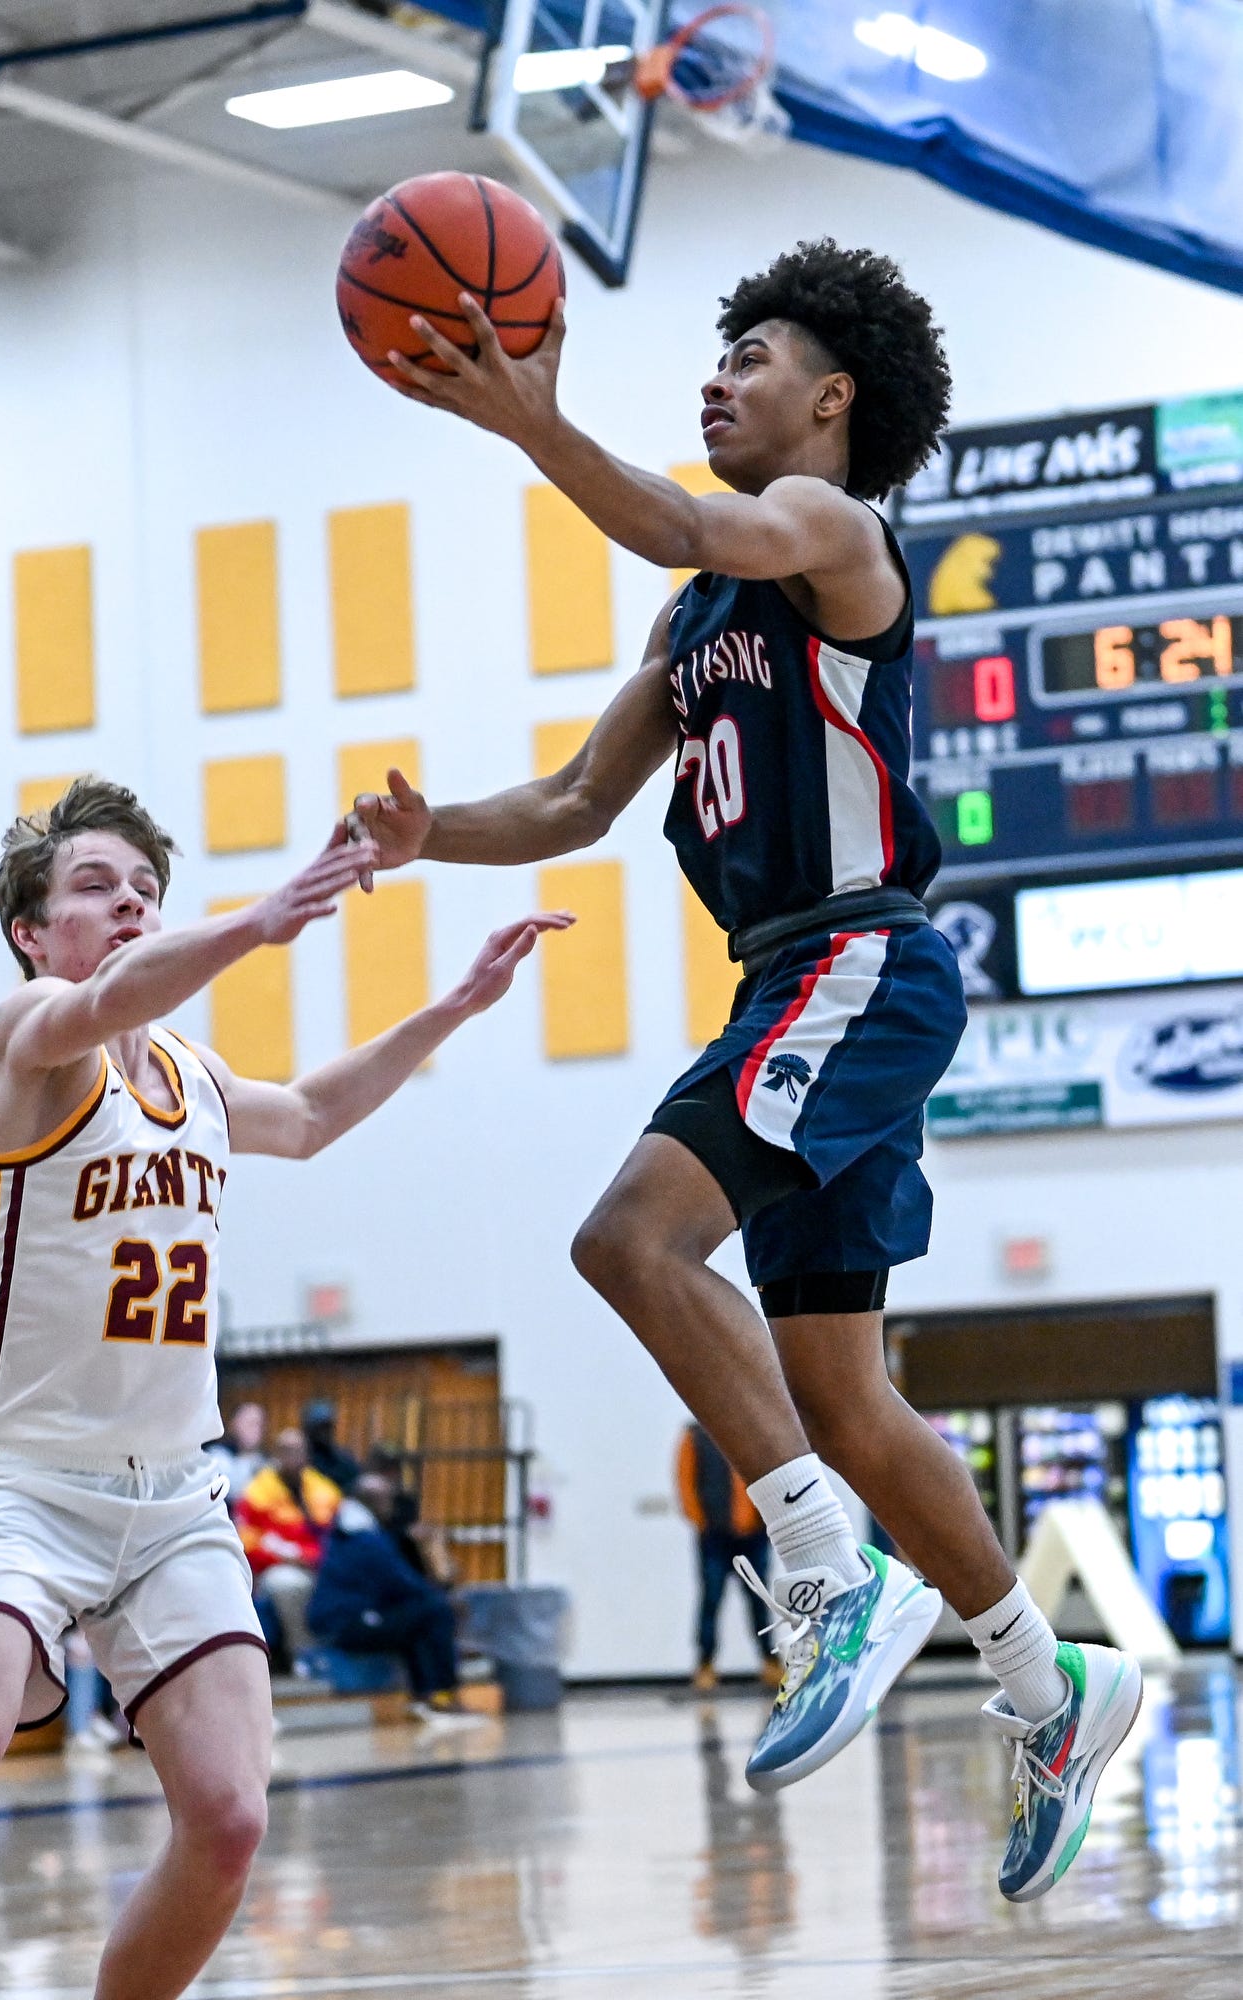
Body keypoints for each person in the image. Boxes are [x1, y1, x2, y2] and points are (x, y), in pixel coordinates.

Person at [355, 239, 1141, 1902]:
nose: (716, 374)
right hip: (790, 976)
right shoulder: (697, 612)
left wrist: (527, 425)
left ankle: (817, 1562)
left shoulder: (827, 536)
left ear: (831, 397)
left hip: (860, 955)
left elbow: (685, 514)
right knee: (845, 1394)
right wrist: (429, 839)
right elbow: (571, 805)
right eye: (713, 352)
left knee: (626, 1242)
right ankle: (1044, 1685)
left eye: (752, 352)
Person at [0, 776, 568, 1999]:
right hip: (26, 1483)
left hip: (174, 1501)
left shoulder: (193, 1079)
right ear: (31, 929)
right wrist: (268, 917)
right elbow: (107, 999)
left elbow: (313, 1113)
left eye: (144, 889)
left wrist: (455, 1007)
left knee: (227, 1818)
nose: (128, 905)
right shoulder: (25, 1035)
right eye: (96, 887)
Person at [307, 1494, 464, 1717]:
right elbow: (402, 1582)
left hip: (349, 1619)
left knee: (418, 1619)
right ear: (373, 1503)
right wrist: (442, 1594)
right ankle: (444, 1693)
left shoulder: (350, 1532)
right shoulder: (365, 1539)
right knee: (436, 1610)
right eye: (386, 1501)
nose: (391, 1507)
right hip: (345, 1623)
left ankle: (425, 1696)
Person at [675, 1422, 778, 1693]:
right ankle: (705, 1663)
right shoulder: (695, 1436)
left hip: (754, 1535)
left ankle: (770, 1660)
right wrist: (702, 1521)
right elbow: (684, 1481)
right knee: (711, 1599)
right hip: (714, 1537)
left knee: (760, 1600)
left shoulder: (755, 1432)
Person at [234, 1428, 342, 1670]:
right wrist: (288, 1556)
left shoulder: (325, 1490)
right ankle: (304, 1653)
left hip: (321, 1564)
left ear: (306, 1454)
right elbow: (247, 1542)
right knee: (287, 1584)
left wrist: (313, 1557)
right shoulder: (257, 1493)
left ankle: (339, 1651)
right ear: (276, 1455)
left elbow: (337, 1534)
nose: (292, 1457)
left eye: (297, 1451)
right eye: (285, 1451)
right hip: (276, 1568)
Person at [207, 1400, 267, 1506]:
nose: (256, 1429)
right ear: (234, 1424)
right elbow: (234, 1493)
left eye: (259, 1424)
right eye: (250, 1423)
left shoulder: (266, 1461)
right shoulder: (216, 1455)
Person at [301, 1398, 362, 1494]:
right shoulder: (299, 1460)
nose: (324, 1432)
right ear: (307, 1428)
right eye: (319, 1427)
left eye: (327, 1427)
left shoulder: (344, 1460)